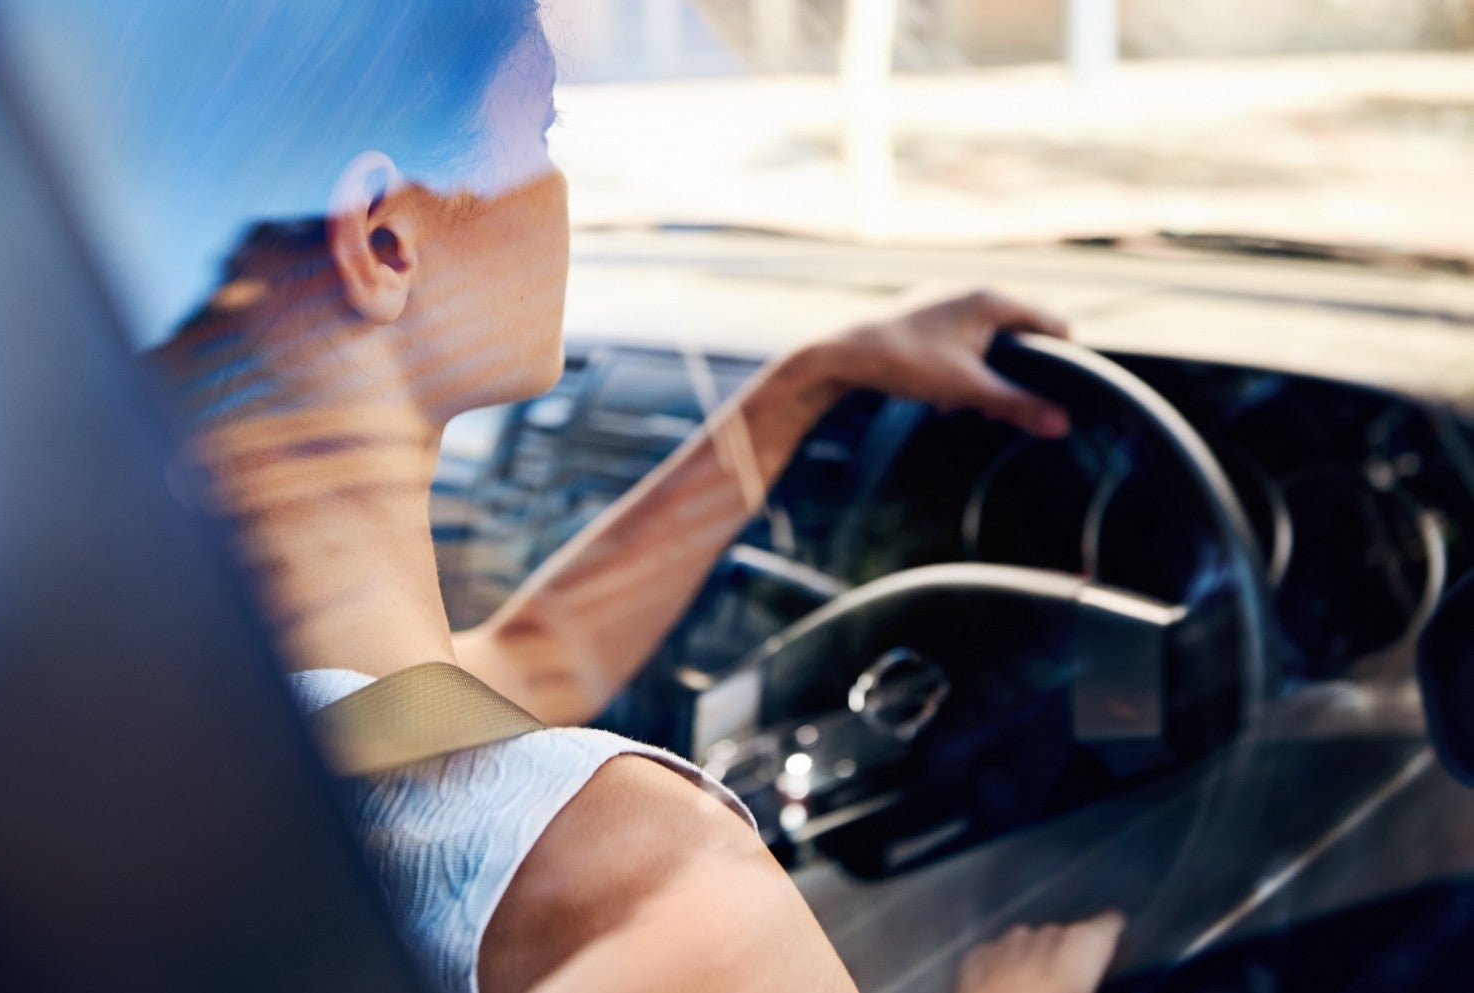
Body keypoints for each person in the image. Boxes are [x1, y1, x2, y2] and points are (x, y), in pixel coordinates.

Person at [56, 2, 1124, 990]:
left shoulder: (114, 700)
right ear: (384, 235)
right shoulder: (647, 873)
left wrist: (812, 379)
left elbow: (514, 669)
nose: (563, 189)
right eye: (544, 132)